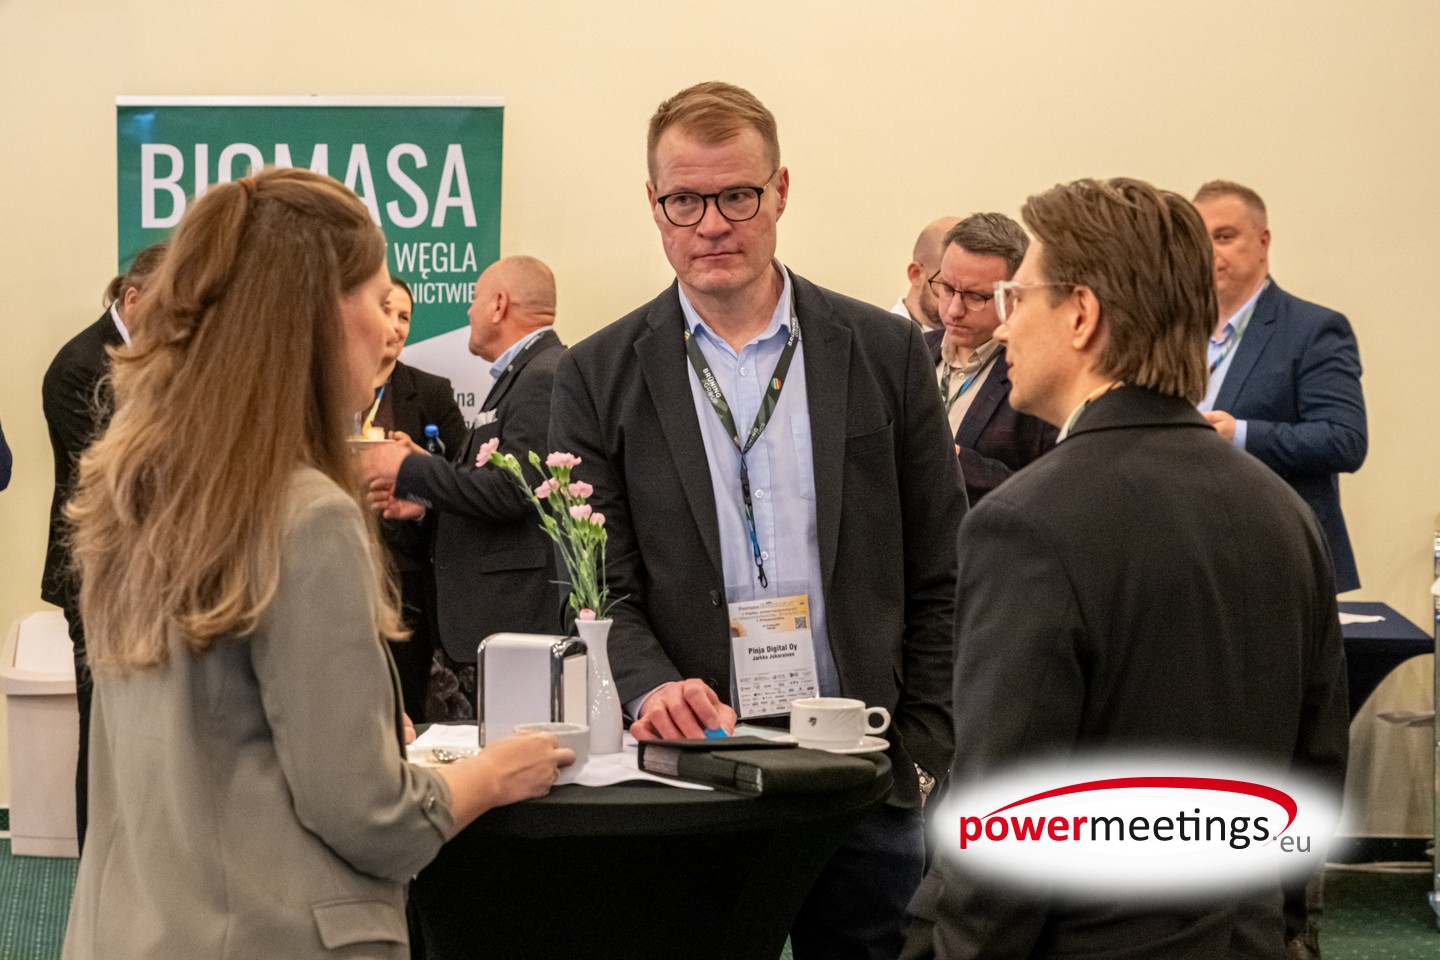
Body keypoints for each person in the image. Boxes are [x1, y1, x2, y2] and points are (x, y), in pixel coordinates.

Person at [60, 167, 570, 960]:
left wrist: (360, 722)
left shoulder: (136, 491)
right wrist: (495, 774)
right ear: (322, 316)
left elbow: (209, 731)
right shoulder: (307, 514)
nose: (391, 329)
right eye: (380, 300)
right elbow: (374, 819)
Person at [549, 81, 966, 960]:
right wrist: (650, 686)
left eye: (737, 195)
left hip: (863, 765)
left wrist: (923, 749)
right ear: (654, 205)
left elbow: (943, 565)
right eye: (685, 201)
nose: (712, 224)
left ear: (779, 192)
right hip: (694, 766)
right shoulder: (595, 375)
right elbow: (594, 585)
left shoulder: (884, 351)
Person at [901, 178, 1348, 959]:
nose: (1005, 325)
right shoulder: (1282, 513)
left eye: (1017, 297)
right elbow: (1313, 774)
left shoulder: (1025, 524)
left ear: (1081, 314)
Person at [362, 256, 566, 720]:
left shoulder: (541, 376)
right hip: (484, 629)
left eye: (474, 299)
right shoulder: (523, 377)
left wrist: (408, 468)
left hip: (511, 624)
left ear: (498, 305)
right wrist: (424, 505)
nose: (469, 312)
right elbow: (494, 489)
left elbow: (515, 490)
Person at [41, 241, 166, 851]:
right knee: (105, 734)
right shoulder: (79, 365)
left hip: (154, 576)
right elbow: (118, 476)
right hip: (99, 577)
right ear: (132, 297)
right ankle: (96, 867)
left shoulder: (154, 355)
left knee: (148, 734)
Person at [1192, 180, 1367, 592]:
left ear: (1263, 242)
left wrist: (1239, 434)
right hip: (1198, 559)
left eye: (1225, 237)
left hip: (1282, 562)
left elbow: (1344, 440)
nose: (1210, 252)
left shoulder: (1313, 329)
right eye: (1199, 240)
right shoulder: (1177, 333)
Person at [365, 275, 466, 721]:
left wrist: (421, 473)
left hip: (405, 573)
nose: (395, 325)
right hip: (337, 562)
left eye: (405, 317)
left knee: (406, 707)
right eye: (386, 311)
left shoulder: (431, 392)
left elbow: (465, 481)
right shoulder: (321, 387)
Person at [924, 213, 1056, 503]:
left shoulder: (1038, 375)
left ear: (1012, 295)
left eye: (975, 297)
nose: (954, 310)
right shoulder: (914, 352)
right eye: (947, 288)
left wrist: (954, 459)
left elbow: (1049, 494)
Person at [892, 217, 961, 331]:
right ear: (916, 274)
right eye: (949, 288)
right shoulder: (878, 338)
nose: (958, 309)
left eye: (973, 294)